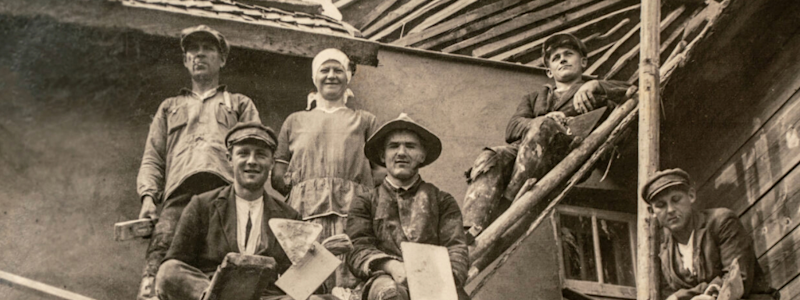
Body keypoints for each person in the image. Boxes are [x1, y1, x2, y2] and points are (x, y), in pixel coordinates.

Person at [462, 33, 636, 237]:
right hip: (524, 153)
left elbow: (636, 92)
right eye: (555, 58)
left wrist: (596, 85)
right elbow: (513, 128)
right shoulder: (535, 98)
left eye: (568, 54)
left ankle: (508, 203)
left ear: (583, 62)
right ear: (549, 72)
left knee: (545, 125)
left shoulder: (596, 94)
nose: (562, 59)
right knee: (489, 157)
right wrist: (541, 122)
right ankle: (470, 230)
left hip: (564, 154)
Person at [136, 25, 261, 299]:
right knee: (160, 259)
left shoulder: (238, 104)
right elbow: (153, 157)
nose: (199, 55)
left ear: (222, 59)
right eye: (193, 50)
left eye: (208, 49)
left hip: (223, 196)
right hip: (179, 195)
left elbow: (255, 152)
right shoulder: (170, 107)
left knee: (221, 264)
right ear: (185, 60)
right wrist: (147, 197)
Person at [155, 122, 336, 300]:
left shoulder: (288, 216)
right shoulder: (202, 205)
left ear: (272, 163)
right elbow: (175, 265)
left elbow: (300, 285)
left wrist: (318, 257)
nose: (252, 161)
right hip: (212, 293)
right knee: (168, 271)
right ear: (229, 159)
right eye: (243, 153)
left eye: (261, 155)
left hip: (265, 297)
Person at [271, 48, 378, 290]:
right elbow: (278, 174)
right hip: (305, 216)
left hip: (351, 215)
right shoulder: (294, 121)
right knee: (304, 284)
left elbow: (379, 173)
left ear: (348, 76)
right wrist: (301, 187)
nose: (331, 75)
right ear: (314, 77)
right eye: (324, 70)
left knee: (348, 281)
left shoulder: (365, 121)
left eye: (338, 70)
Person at [346, 113, 470, 300]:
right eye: (393, 146)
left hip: (435, 279)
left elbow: (456, 247)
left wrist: (442, 278)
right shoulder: (365, 202)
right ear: (382, 155)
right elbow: (358, 248)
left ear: (422, 155)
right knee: (391, 294)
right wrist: (391, 266)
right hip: (383, 279)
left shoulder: (442, 201)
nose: (401, 153)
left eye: (410, 146)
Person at [642, 169, 777, 300]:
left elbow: (737, 278)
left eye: (676, 199)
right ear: (652, 211)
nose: (670, 210)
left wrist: (682, 296)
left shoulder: (721, 221)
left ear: (691, 196)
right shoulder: (663, 252)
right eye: (661, 205)